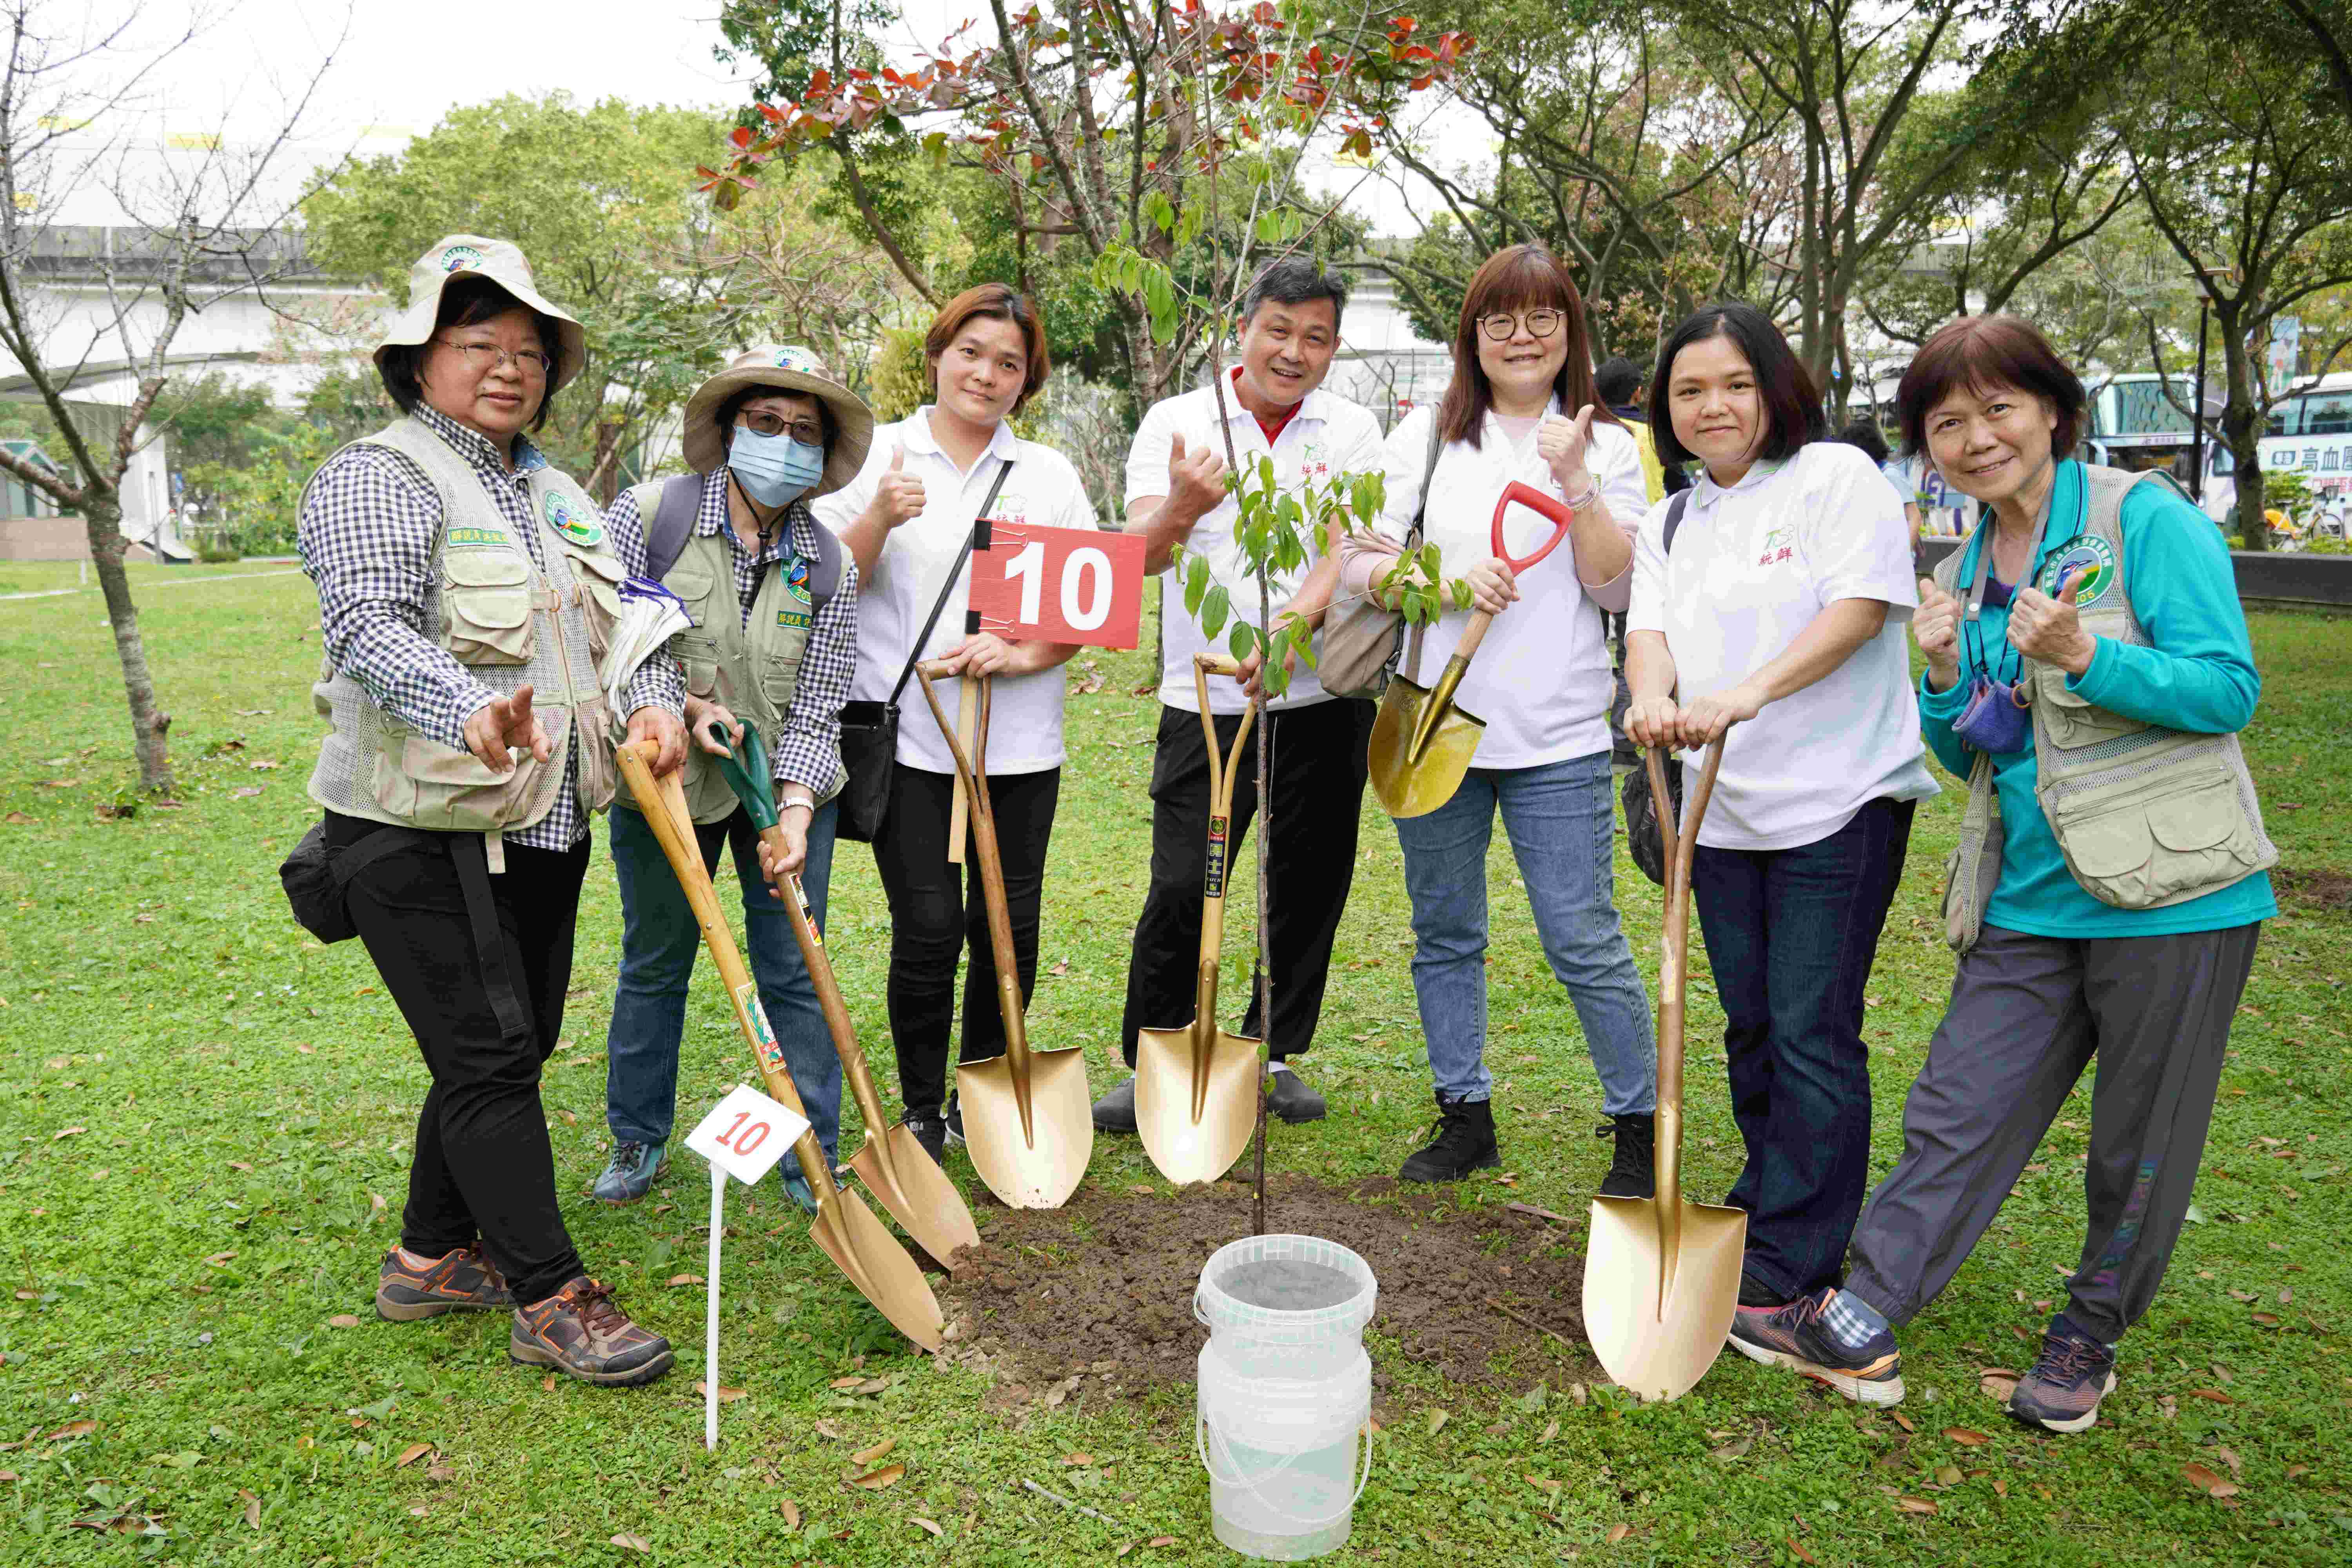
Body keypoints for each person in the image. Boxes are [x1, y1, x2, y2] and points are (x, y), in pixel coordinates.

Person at [1742, 316, 2276, 1433]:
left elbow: (2228, 690)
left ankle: (2088, 1334)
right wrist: (1943, 670)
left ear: (2051, 412)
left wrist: (2091, 655)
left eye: (1998, 409)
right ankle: (1864, 1311)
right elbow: (1981, 743)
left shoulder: (2144, 521)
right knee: (1957, 1108)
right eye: (1947, 422)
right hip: (2031, 893)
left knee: (2140, 1141)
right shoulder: (1969, 562)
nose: (1977, 437)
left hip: (2173, 896)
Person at [298, 235, 684, 1386]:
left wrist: (659, 705)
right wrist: (468, 709)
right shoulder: (377, 475)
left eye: (529, 350)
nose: (508, 368)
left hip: (544, 823)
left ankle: (428, 1259)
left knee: (508, 1048)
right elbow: (368, 627)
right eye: (479, 345)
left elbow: (641, 622)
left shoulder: (562, 493)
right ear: (421, 359)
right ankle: (549, 1292)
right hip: (418, 828)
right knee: (488, 1054)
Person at [1622, 302, 1937, 1326]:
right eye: (1689, 390)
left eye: (1734, 384)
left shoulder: (1835, 478)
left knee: (1810, 1028)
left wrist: (1751, 691)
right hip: (1723, 816)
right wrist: (1652, 695)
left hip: (1838, 806)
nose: (1712, 406)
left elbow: (1858, 610)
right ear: (1667, 409)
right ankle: (1771, 1195)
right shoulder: (1672, 516)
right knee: (1751, 1023)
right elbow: (1650, 629)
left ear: (1774, 386)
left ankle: (1799, 1253)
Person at [1341, 243, 1659, 1191]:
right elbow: (1361, 560)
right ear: (1471, 337)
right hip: (1437, 722)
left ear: (1571, 330)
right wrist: (1436, 581)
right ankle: (1464, 1112)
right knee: (1445, 928)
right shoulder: (1429, 439)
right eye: (1499, 320)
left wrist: (1577, 482)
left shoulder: (1605, 443)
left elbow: (1616, 586)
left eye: (1541, 318)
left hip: (1558, 734)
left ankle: (1639, 1123)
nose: (1521, 337)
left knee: (1581, 933)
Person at [1090, 256, 1384, 1134]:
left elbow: (1350, 545)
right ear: (1244, 328)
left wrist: (1294, 621)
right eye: (1279, 330)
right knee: (1184, 881)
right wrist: (1181, 504)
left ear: (1333, 346)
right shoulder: (1179, 420)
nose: (1294, 351)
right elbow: (1137, 557)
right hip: (1202, 698)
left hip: (1323, 700)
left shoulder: (1353, 428)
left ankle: (1273, 1051)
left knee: (1306, 884)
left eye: (1316, 337)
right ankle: (1153, 1053)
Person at [813, 285, 1094, 1161]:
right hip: (910, 742)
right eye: (971, 351)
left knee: (1011, 923)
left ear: (1026, 381)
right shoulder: (877, 455)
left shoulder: (1047, 474)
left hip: (1018, 745)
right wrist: (877, 518)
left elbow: (1086, 611)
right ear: (938, 354)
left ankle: (984, 1085)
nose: (987, 373)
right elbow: (823, 588)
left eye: (1009, 362)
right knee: (931, 924)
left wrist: (1019, 652)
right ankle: (922, 1106)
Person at [592, 347, 871, 1210]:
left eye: (804, 433)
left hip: (780, 784)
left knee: (795, 965)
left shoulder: (830, 565)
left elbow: (821, 702)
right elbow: (613, 637)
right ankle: (637, 1138)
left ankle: (810, 1150)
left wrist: (792, 812)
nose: (784, 443)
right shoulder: (649, 514)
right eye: (765, 424)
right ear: (728, 428)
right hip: (664, 778)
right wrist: (670, 705)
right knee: (657, 959)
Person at [1596, 353, 1684, 504]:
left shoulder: (1584, 430)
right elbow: (1679, 486)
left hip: (1594, 523)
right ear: (1637, 393)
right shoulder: (1656, 433)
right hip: (1648, 523)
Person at [1834, 416, 1925, 562]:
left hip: (1895, 560)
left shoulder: (1889, 474)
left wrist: (1902, 554)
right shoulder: (1861, 476)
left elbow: (1914, 517)